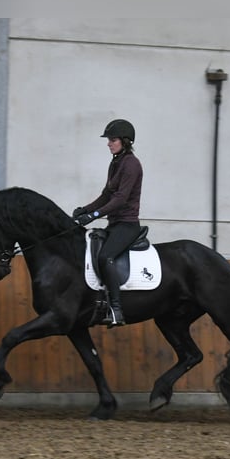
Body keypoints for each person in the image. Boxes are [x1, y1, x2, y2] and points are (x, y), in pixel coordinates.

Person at [73, 119, 143, 326]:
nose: (109, 143)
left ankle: (116, 310)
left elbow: (120, 199)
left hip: (127, 225)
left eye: (112, 140)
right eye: (109, 140)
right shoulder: (116, 162)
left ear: (125, 141)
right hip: (115, 224)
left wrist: (93, 215)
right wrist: (84, 209)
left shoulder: (131, 164)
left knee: (105, 257)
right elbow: (106, 195)